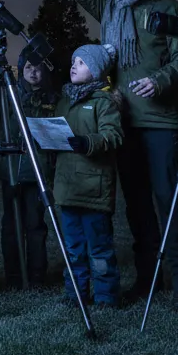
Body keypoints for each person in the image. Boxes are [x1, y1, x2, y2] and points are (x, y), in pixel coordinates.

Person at [60, 0, 178, 308]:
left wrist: (160, 80)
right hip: (121, 123)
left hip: (158, 121)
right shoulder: (111, 7)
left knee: (167, 200)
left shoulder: (168, 7)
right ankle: (148, 277)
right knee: (136, 204)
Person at [0, 51, 58, 289]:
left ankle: (36, 276)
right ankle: (13, 276)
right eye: (29, 67)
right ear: (20, 69)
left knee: (35, 225)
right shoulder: (9, 92)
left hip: (36, 170)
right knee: (11, 226)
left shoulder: (50, 97)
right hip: (11, 168)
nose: (33, 72)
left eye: (38, 67)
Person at [54, 43, 124, 308]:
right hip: (68, 188)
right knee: (73, 248)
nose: (74, 66)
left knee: (99, 249)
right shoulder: (64, 102)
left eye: (81, 62)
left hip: (94, 188)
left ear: (96, 70)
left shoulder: (103, 102)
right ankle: (76, 294)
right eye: (73, 61)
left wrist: (89, 142)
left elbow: (114, 135)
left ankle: (106, 295)